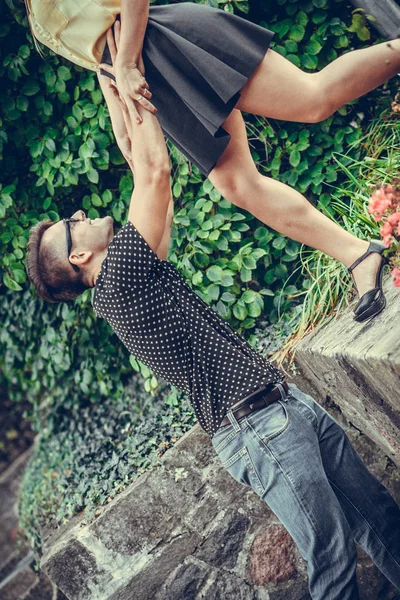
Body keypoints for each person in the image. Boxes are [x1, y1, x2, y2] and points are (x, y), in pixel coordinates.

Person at [25, 25, 400, 600]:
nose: (79, 210)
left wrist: (110, 71)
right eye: (72, 222)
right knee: (333, 569)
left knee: (382, 521)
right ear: (79, 255)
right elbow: (153, 171)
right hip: (258, 427)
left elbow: (136, 156)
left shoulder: (130, 276)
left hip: (275, 406)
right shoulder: (120, 280)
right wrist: (124, 68)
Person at [23, 0, 399, 321]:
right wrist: (117, 108)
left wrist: (124, 67)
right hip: (143, 77)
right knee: (238, 184)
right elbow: (98, 53)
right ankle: (359, 255)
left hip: (159, 47)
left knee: (312, 99)